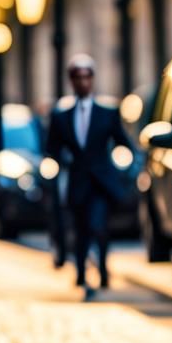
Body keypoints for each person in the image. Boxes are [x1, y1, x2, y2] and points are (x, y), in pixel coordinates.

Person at [46, 54, 133, 289]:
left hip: (101, 181)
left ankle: (103, 269)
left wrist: (122, 163)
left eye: (86, 77)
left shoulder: (107, 112)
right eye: (77, 77)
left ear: (92, 79)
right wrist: (56, 163)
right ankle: (82, 271)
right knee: (81, 228)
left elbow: (123, 143)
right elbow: (51, 148)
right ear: (71, 80)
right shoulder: (61, 115)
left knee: (98, 225)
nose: (83, 82)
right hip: (77, 180)